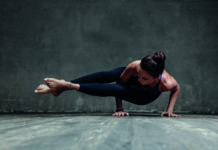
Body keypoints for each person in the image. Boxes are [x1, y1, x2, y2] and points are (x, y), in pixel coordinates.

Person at [35, 51, 181, 117]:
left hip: (143, 96)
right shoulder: (136, 66)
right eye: (139, 75)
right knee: (111, 74)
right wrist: (119, 108)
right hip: (125, 83)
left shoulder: (167, 83)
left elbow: (176, 88)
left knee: (116, 89)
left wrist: (169, 110)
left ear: (156, 78)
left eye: (144, 79)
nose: (139, 79)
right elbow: (120, 82)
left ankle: (67, 86)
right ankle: (63, 86)